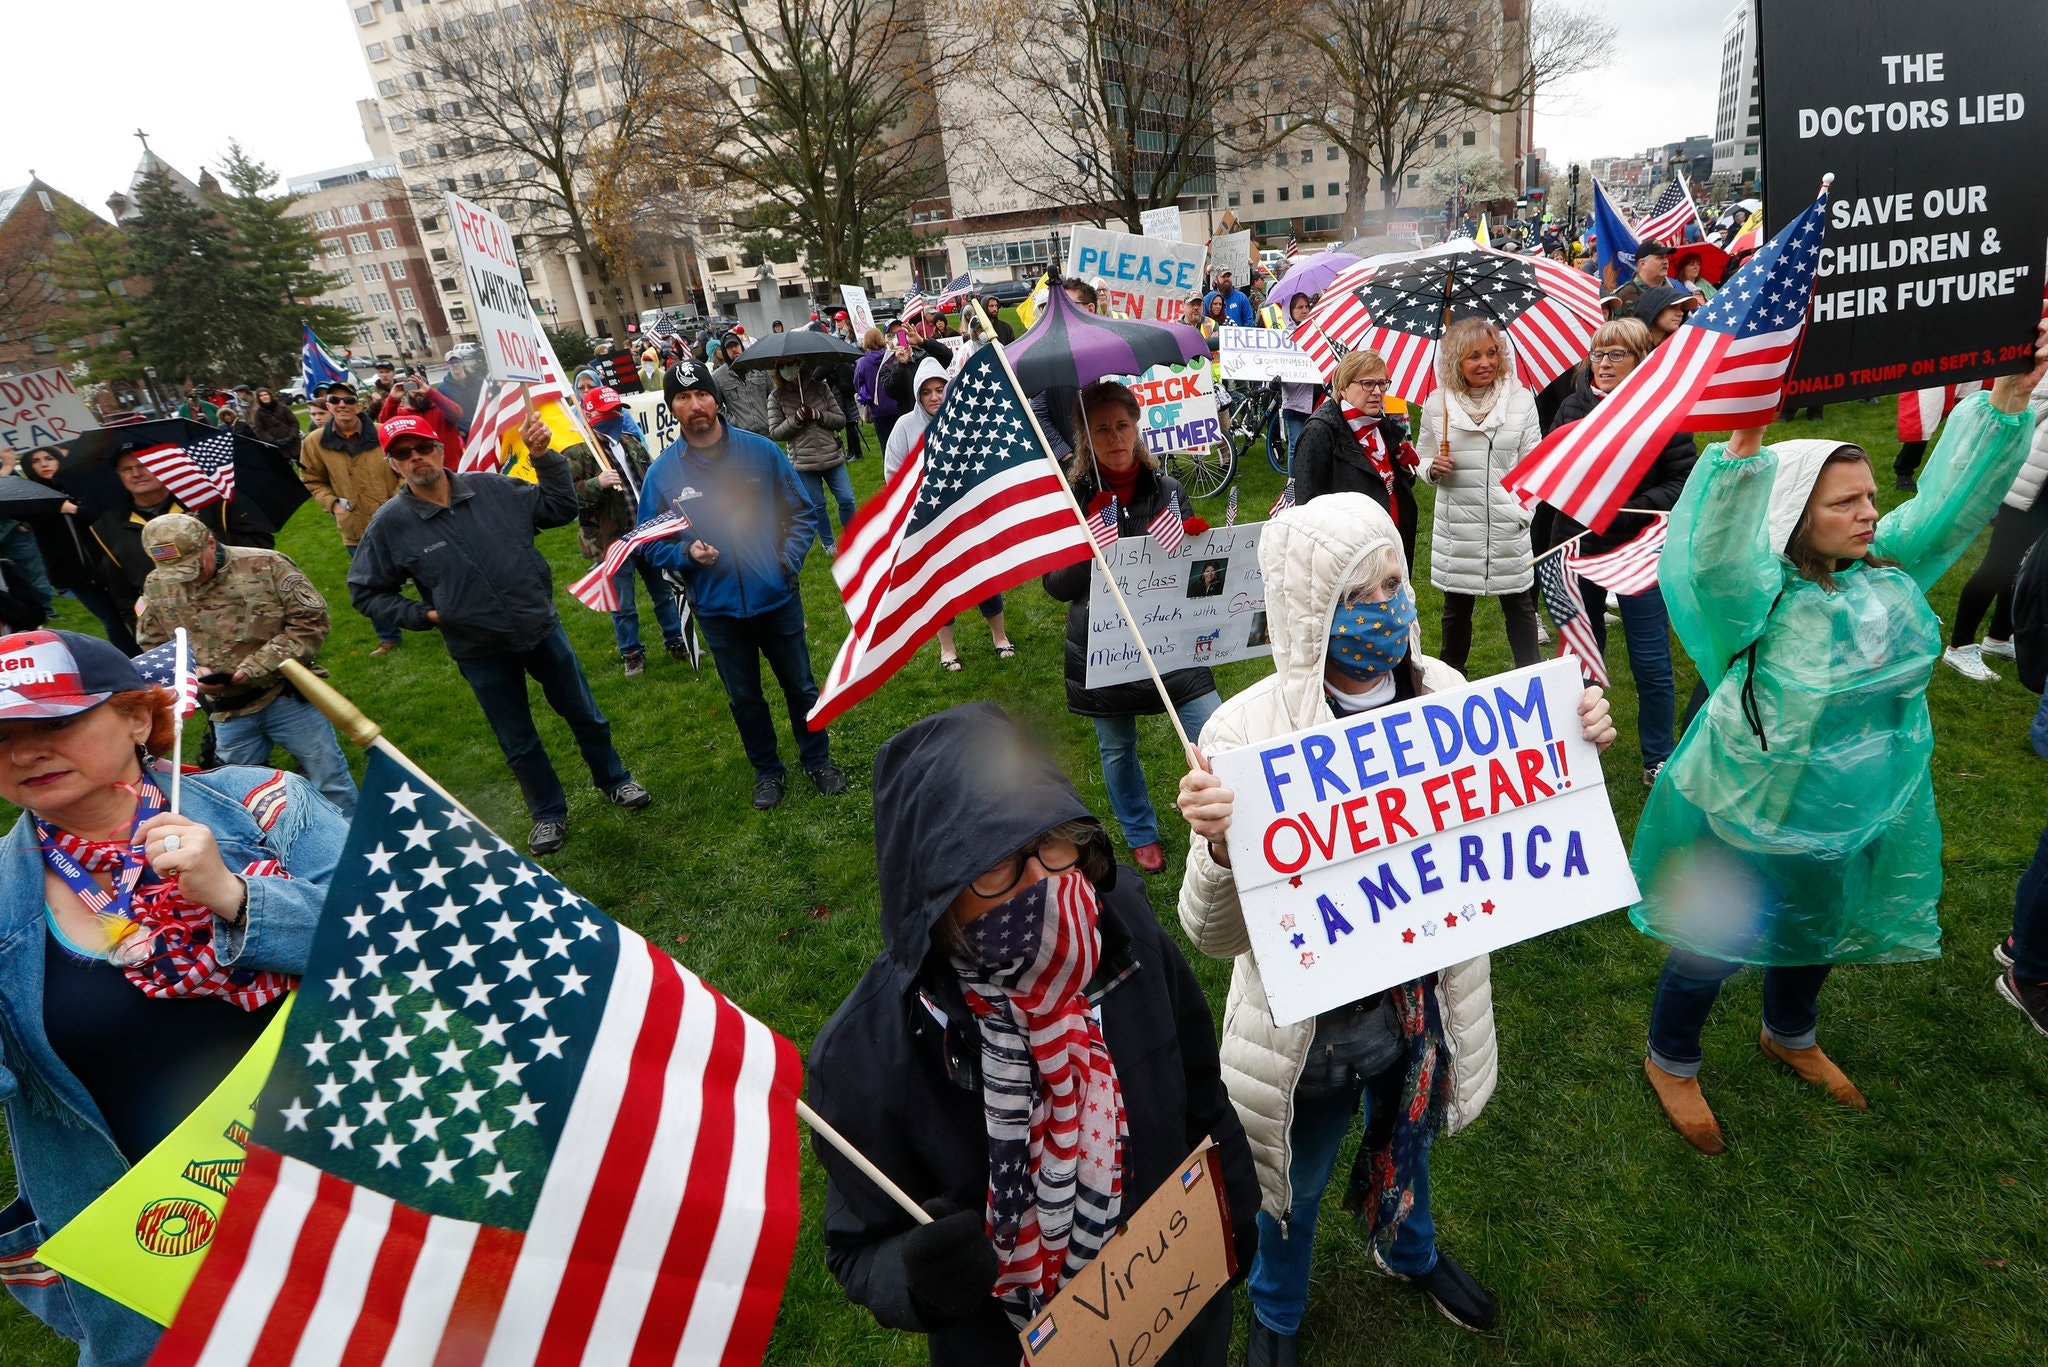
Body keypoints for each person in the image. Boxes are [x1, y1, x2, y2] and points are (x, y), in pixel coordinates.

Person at [1175, 494, 1616, 1359]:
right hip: (1308, 1035)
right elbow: (1213, 935)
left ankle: (1408, 1247)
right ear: (1311, 611)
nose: (1393, 603)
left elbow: (1507, 815)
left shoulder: (1444, 693)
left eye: (1395, 580)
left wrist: (1577, 737)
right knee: (1290, 1185)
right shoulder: (1242, 731)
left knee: (1406, 1137)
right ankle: (1277, 1310)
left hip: (1419, 1014)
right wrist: (1221, 850)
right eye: (1362, 591)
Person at [1632, 321, 2047, 1154]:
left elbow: (1947, 508)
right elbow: (1711, 560)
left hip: (1853, 803)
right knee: (1717, 938)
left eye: (1868, 497)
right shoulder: (1757, 597)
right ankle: (1671, 1056)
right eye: (1845, 502)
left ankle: (1790, 1031)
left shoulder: (1887, 567)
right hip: (1750, 803)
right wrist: (1743, 448)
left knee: (1819, 922)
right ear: (1795, 515)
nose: (1869, 513)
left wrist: (2009, 398)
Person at [807, 702, 1261, 1366]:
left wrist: (1235, 1209)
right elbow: (855, 1247)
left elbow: (1198, 1086)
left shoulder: (1122, 923)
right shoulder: (868, 1057)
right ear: (932, 895)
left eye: (1055, 839)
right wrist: (917, 1277)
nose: (1046, 883)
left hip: (1174, 1306)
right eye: (995, 866)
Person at [0, 628, 342, 1367]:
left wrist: (235, 894)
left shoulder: (268, 808)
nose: (23, 752)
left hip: (355, 1174)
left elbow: (398, 938)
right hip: (180, 1241)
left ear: (135, 716)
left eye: (53, 723)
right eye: (0, 736)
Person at [348, 411, 653, 854]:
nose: (416, 459)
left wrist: (545, 458)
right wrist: (426, 616)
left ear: (438, 447)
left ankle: (615, 780)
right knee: (517, 740)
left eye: (422, 448)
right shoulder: (391, 524)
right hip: (479, 649)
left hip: (539, 626)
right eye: (403, 454)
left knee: (585, 714)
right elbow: (366, 591)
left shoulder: (492, 488)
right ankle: (548, 813)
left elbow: (560, 508)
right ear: (394, 464)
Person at [637, 360, 847, 810]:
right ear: (672, 407)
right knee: (745, 698)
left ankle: (818, 760)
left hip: (777, 597)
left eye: (701, 395)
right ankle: (768, 771)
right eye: (682, 397)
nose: (694, 405)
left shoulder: (761, 452)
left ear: (716, 398)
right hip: (717, 608)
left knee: (801, 687)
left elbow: (804, 511)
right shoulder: (663, 474)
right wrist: (684, 554)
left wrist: (786, 563)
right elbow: (649, 544)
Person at [1041, 380, 1215, 874]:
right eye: (1101, 430)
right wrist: (1095, 547)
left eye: (1122, 426)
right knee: (1117, 746)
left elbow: (1192, 579)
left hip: (1170, 637)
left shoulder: (1168, 489)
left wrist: (1196, 545)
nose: (1115, 438)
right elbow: (1056, 585)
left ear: (1137, 427)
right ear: (1084, 438)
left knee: (1215, 727)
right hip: (1105, 643)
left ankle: (1223, 814)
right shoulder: (1072, 498)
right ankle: (1140, 831)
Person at [1534, 317, 1696, 784]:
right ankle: (1585, 752)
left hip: (1637, 552)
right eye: (1597, 354)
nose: (1603, 364)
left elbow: (1680, 481)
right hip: (1575, 547)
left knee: (1650, 659)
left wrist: (1626, 510)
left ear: (1641, 360)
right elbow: (1552, 469)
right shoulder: (1572, 406)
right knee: (1581, 656)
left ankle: (1657, 755)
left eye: (1616, 354)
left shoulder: (1662, 411)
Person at [133, 514, 358, 816]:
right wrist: (189, 672)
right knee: (248, 795)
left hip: (284, 694)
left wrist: (252, 668)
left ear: (210, 543)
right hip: (227, 712)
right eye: (175, 572)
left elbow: (310, 623)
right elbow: (155, 642)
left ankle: (351, 845)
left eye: (193, 566)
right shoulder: (157, 584)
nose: (189, 579)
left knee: (329, 778)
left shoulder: (267, 565)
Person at [1415, 318, 1542, 673]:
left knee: (1520, 608)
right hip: (1459, 528)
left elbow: (1535, 464)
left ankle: (1532, 678)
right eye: (1474, 356)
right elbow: (1420, 456)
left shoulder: (1519, 401)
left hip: (1508, 524)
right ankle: (1451, 683)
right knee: (1455, 612)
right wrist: (1431, 468)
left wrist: (1521, 512)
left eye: (1492, 353)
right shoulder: (1438, 404)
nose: (1486, 363)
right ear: (1456, 361)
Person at [884, 359, 1017, 670]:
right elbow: (893, 473)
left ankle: (1000, 637)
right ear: (918, 395)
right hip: (929, 522)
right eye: (927, 391)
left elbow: (985, 462)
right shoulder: (904, 427)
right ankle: (947, 649)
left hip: (968, 517)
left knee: (984, 577)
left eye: (940, 389)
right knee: (941, 585)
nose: (934, 397)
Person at [87, 451, 275, 630]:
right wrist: (144, 629)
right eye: (127, 469)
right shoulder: (106, 527)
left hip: (239, 605)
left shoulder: (211, 503)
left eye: (144, 465)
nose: (136, 474)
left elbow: (261, 546)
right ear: (118, 474)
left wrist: (208, 548)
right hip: (176, 623)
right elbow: (122, 593)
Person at [1940, 372, 2048, 681]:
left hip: (2041, 486)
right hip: (2030, 485)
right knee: (1999, 564)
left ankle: (1999, 637)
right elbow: (2026, 408)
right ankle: (1960, 646)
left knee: (2025, 565)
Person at [571, 386, 685, 676]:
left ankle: (676, 640)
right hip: (612, 540)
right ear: (591, 416)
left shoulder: (631, 442)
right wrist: (597, 483)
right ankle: (632, 653)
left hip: (645, 532)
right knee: (623, 604)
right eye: (609, 413)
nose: (616, 417)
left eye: (618, 411)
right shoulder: (578, 453)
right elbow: (569, 499)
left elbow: (651, 480)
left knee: (663, 592)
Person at [297, 381, 404, 656]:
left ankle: (445, 622)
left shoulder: (381, 433)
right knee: (371, 583)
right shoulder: (315, 442)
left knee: (426, 574)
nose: (342, 404)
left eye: (348, 399)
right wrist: (332, 503)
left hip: (400, 521)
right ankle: (388, 637)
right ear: (328, 406)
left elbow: (404, 466)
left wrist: (398, 498)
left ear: (358, 405)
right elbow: (311, 479)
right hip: (355, 527)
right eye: (336, 400)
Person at [1292, 348, 1419, 567]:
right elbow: (1308, 507)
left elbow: (1384, 484)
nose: (1377, 391)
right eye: (1367, 383)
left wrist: (1405, 473)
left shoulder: (1380, 425)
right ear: (1343, 387)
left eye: (1382, 384)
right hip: (1349, 557)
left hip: (1391, 547)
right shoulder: (1320, 431)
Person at [23, 449, 138, 652]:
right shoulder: (31, 499)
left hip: (110, 564)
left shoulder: (83, 488)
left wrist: (74, 509)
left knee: (133, 613)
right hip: (71, 572)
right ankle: (132, 661)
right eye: (36, 461)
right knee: (111, 620)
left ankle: (154, 650)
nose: (44, 464)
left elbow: (105, 515)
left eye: (49, 458)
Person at [768, 361, 854, 560]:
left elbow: (840, 419)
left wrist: (818, 415)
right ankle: (828, 543)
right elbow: (776, 432)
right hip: (803, 462)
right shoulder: (776, 397)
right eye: (786, 366)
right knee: (817, 505)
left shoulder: (821, 388)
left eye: (795, 364)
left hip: (831, 455)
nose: (791, 370)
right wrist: (796, 420)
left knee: (847, 498)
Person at [1277, 293, 1324, 455]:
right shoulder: (1283, 338)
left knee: (1316, 446)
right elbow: (1274, 366)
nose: (1305, 310)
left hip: (1318, 398)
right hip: (1295, 400)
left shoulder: (1318, 331)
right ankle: (1293, 480)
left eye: (1307, 306)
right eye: (1300, 307)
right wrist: (1273, 382)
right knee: (1295, 446)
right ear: (1290, 311)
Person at [376, 369, 465, 450]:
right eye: (412, 388)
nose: (417, 391)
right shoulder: (404, 414)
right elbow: (384, 423)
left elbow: (457, 414)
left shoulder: (442, 409)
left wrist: (430, 392)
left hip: (451, 466)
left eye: (419, 386)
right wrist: (393, 399)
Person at [710, 332, 772, 435]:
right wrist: (732, 423)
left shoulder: (759, 369)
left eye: (736, 345)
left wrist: (771, 417)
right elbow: (716, 407)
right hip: (741, 435)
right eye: (729, 347)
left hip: (767, 432)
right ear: (724, 351)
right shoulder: (718, 377)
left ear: (741, 346)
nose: (734, 349)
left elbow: (773, 395)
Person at [852, 325, 900, 457]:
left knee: (886, 445)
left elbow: (857, 384)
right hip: (896, 404)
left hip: (877, 408)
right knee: (901, 443)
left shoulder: (862, 363)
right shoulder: (893, 357)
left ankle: (891, 474)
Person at [1608, 239, 1671, 317]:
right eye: (1660, 257)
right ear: (1643, 263)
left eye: (1666, 257)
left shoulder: (1672, 293)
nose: (1666, 261)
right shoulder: (1621, 296)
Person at [435, 350, 485, 433]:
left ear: (462, 363)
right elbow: (443, 413)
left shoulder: (479, 382)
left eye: (457, 361)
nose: (455, 365)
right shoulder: (443, 389)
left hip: (482, 428)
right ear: (447, 365)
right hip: (463, 434)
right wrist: (457, 430)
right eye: (451, 362)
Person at [1631, 283, 1698, 344]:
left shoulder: (1680, 347)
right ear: (1655, 309)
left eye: (1681, 307)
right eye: (1673, 307)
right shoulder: (1630, 345)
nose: (1681, 313)